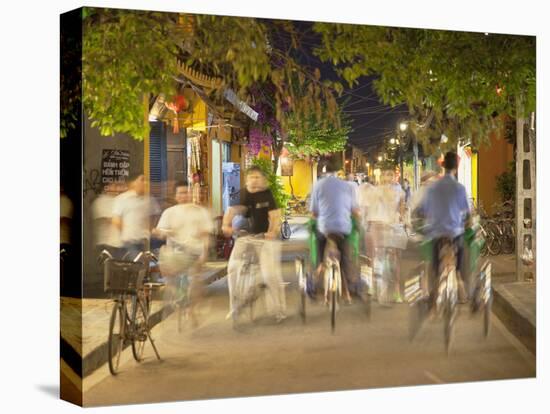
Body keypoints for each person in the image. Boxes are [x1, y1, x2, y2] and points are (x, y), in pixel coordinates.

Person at [222, 166, 286, 322]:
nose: (254, 180)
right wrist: (226, 226)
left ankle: (278, 310)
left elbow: (275, 216)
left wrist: (272, 231)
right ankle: (235, 307)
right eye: (251, 177)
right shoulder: (242, 194)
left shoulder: (267, 194)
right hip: (244, 237)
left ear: (263, 180)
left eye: (258, 177)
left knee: (269, 274)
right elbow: (231, 212)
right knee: (233, 268)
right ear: (247, 179)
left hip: (265, 238)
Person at [154, 181, 214, 326]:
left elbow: (206, 234)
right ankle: (175, 293)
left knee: (195, 281)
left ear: (191, 193)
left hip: (194, 252)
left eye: (186, 192)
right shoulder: (169, 213)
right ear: (175, 196)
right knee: (167, 272)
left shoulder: (200, 211)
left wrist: (204, 253)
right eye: (180, 193)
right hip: (176, 253)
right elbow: (160, 232)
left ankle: (192, 309)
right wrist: (161, 232)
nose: (184, 195)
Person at [418, 152, 471, 305]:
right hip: (455, 233)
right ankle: (460, 278)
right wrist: (466, 224)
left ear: (443, 166)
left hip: (437, 233)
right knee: (461, 257)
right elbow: (467, 213)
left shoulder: (432, 188)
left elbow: (422, 210)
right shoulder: (459, 188)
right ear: (456, 167)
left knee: (434, 267)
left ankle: (434, 291)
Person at [309, 166, 361, 303]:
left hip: (325, 227)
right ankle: (346, 293)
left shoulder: (318, 185)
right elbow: (355, 211)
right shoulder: (348, 186)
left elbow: (314, 213)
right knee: (344, 258)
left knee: (319, 241)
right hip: (343, 227)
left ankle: (320, 266)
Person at [362, 166, 407, 303]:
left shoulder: (375, 191)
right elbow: (402, 211)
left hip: (378, 226)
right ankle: (397, 292)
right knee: (395, 259)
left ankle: (375, 288)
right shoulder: (398, 192)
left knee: (376, 257)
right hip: (392, 227)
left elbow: (367, 209)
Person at [112, 173, 160, 260]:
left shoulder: (150, 199)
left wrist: (148, 229)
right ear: (133, 183)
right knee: (136, 265)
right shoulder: (122, 199)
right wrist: (129, 231)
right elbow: (116, 220)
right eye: (142, 180)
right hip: (129, 242)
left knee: (147, 266)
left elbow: (154, 216)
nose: (145, 183)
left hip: (145, 241)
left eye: (147, 180)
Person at [92, 182, 124, 259]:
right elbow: (110, 219)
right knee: (107, 268)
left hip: (118, 244)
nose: (117, 188)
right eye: (114, 185)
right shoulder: (101, 201)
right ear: (106, 187)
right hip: (106, 243)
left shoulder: (118, 200)